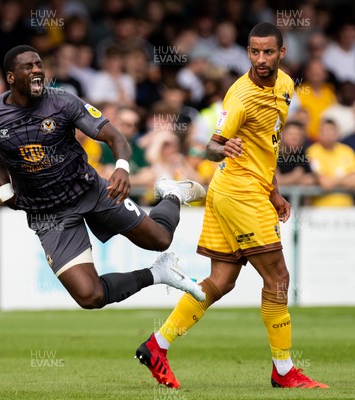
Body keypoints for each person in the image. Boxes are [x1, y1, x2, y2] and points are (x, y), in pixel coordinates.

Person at [137, 23, 328, 389]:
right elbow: (210, 146)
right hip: (239, 194)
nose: (259, 59)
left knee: (220, 281)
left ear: (281, 53)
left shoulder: (286, 86)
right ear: (247, 52)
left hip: (245, 191)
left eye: (267, 52)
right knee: (278, 279)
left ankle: (156, 345)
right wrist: (222, 148)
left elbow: (267, 148)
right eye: (253, 52)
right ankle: (284, 371)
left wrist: (274, 191)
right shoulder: (240, 96)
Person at [0, 45, 206, 314]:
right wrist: (5, 188)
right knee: (89, 296)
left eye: (39, 64)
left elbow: (115, 137)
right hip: (48, 214)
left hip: (90, 191)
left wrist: (121, 167)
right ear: (11, 77)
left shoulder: (63, 102)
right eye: (28, 67)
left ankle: (172, 194)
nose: (37, 70)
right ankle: (158, 273)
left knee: (159, 240)